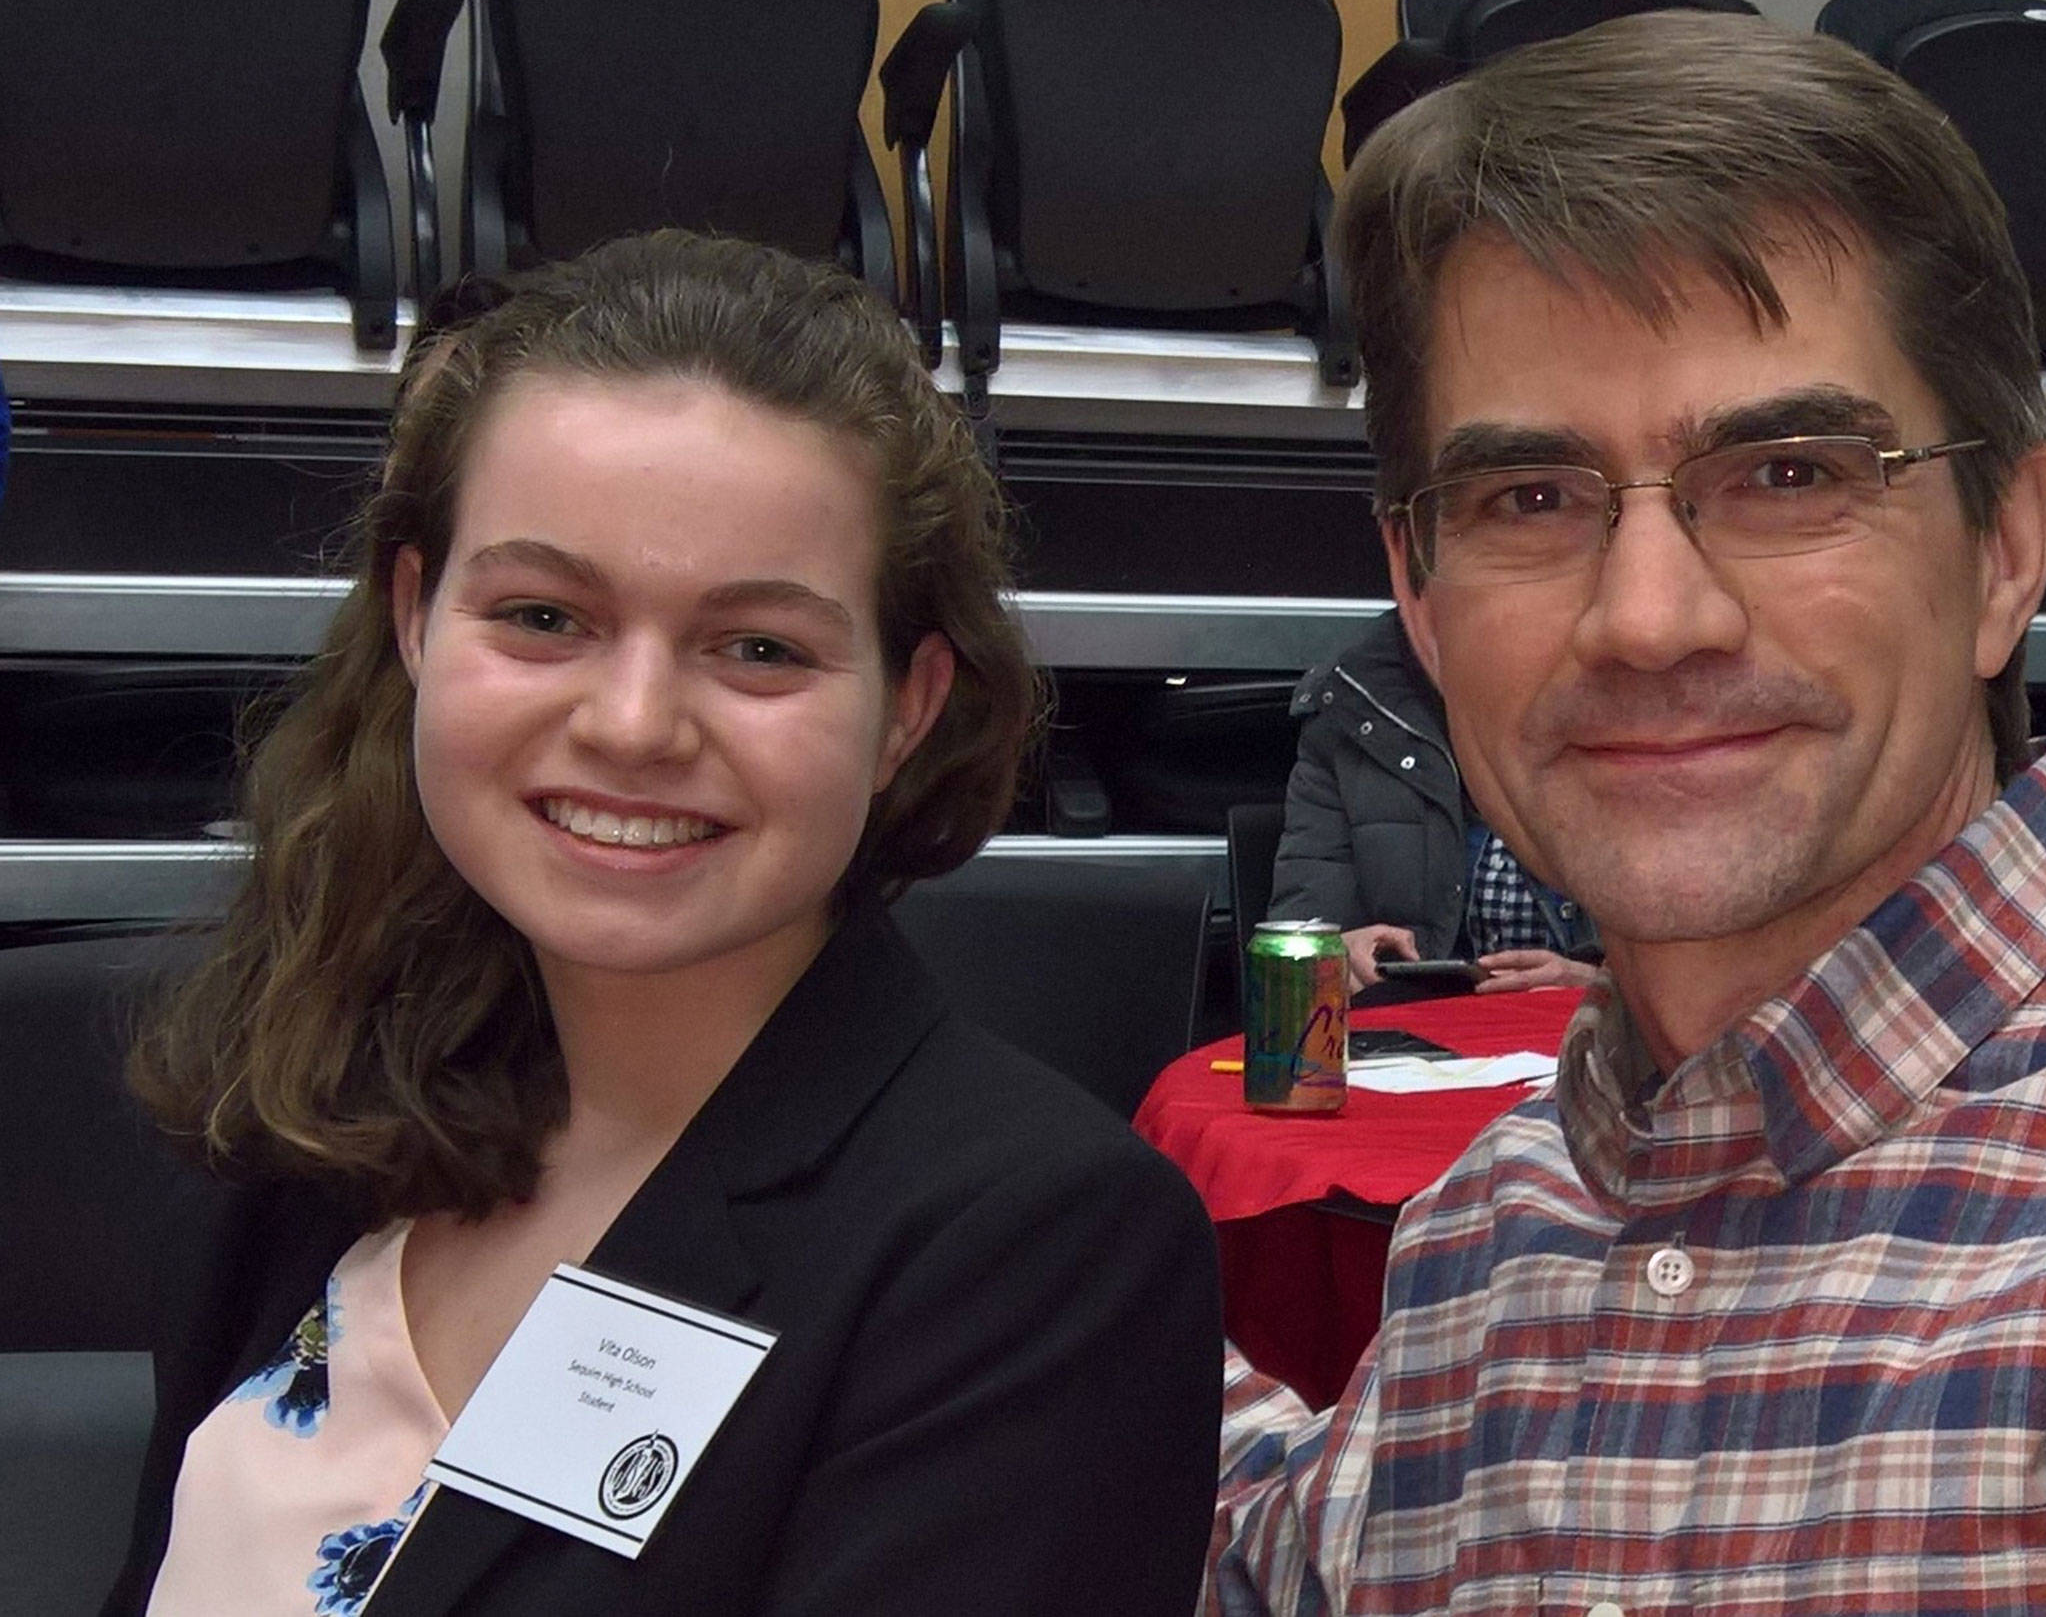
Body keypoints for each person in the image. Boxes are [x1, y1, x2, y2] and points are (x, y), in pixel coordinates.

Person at [103, 231, 1222, 1616]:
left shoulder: (1036, 1255)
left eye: (758, 647)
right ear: (414, 616)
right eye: (543, 614)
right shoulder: (314, 1113)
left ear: (908, 708)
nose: (631, 724)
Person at [1208, 11, 2046, 1615]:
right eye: (1530, 498)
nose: (1650, 619)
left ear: (2003, 546)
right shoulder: (1485, 1238)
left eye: (1791, 472)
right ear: (1423, 595)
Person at [1271, 606, 1600, 992]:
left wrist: (1599, 986)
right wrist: (1336, 956)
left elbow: (1685, 975)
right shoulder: (1353, 698)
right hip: (1415, 1032)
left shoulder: (1628, 675)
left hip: (1593, 1036)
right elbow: (1294, 954)